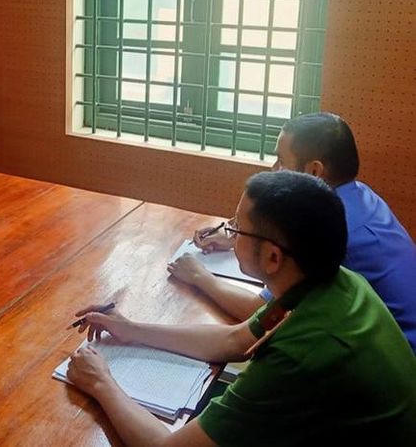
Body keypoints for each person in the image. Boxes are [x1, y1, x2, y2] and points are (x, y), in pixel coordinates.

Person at [67, 171, 416, 446]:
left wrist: (101, 382)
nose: (231, 235)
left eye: (238, 229)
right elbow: (235, 339)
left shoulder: (301, 356)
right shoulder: (336, 282)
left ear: (273, 257)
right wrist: (131, 329)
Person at [168, 112, 416, 351]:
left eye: (281, 161)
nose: (273, 169)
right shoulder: (358, 196)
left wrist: (199, 276)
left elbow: (261, 313)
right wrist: (239, 237)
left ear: (314, 172)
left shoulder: (332, 230)